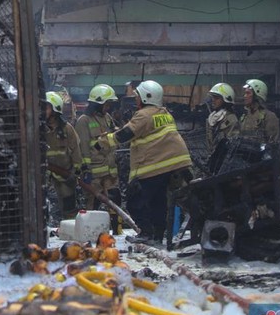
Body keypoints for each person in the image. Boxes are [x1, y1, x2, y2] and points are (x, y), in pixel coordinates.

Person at [97, 80, 192, 245]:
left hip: (154, 166)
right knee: (159, 202)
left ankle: (146, 234)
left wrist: (102, 142)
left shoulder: (144, 115)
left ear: (147, 97)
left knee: (135, 201)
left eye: (137, 96)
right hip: (175, 164)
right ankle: (157, 235)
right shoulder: (165, 113)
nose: (136, 100)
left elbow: (125, 135)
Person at [75, 84, 122, 232]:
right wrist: (85, 170)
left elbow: (113, 137)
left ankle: (116, 231)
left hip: (110, 171)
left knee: (115, 201)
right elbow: (82, 148)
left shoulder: (107, 118)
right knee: (93, 204)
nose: (108, 107)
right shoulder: (84, 121)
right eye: (106, 104)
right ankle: (89, 232)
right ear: (97, 103)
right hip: (94, 174)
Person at [44, 91, 83, 220]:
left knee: (69, 206)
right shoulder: (38, 129)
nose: (43, 110)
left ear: (55, 110)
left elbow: (76, 152)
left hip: (64, 175)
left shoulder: (67, 129)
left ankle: (70, 228)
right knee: (40, 206)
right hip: (44, 175)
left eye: (47, 107)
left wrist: (75, 173)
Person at [206, 83, 240, 173]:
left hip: (224, 165)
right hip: (213, 162)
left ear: (226, 100)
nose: (213, 100)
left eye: (216, 98)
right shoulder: (212, 118)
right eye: (213, 97)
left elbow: (232, 147)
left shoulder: (231, 119)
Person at [240, 79, 279, 145]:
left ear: (256, 96)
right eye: (245, 93)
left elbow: (273, 144)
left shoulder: (269, 117)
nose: (245, 96)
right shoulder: (245, 116)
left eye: (248, 93)